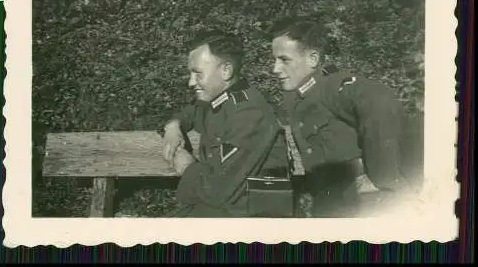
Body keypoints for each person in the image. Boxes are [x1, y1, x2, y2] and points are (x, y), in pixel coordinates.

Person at [270, 16, 415, 217]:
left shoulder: (334, 87)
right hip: (329, 202)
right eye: (274, 60)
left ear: (313, 58)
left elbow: (380, 99)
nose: (275, 69)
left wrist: (383, 178)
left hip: (361, 206)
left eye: (284, 60)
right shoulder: (297, 97)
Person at [162, 29, 289, 217]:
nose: (191, 82)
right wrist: (173, 126)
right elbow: (190, 112)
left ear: (226, 70)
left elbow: (219, 190)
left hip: (252, 218)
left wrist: (187, 166)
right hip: (227, 210)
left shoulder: (248, 113)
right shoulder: (220, 102)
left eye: (198, 74)